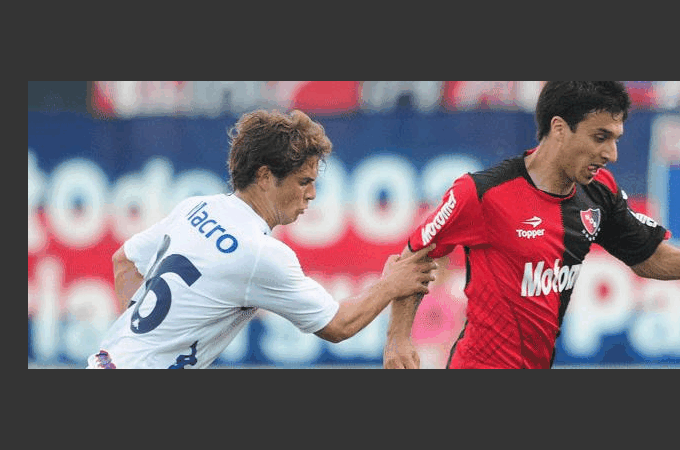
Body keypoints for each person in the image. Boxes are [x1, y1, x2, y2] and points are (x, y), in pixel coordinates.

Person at [383, 81, 680, 369]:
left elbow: (646, 256)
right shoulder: (482, 192)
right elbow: (416, 252)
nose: (611, 154)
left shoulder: (599, 191)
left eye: (615, 139)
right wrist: (398, 338)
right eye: (600, 137)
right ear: (559, 128)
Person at [88, 109, 437, 369]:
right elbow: (338, 325)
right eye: (304, 182)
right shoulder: (259, 253)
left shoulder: (196, 206)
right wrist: (390, 285)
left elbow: (125, 262)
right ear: (266, 176)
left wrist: (144, 344)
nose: (312, 194)